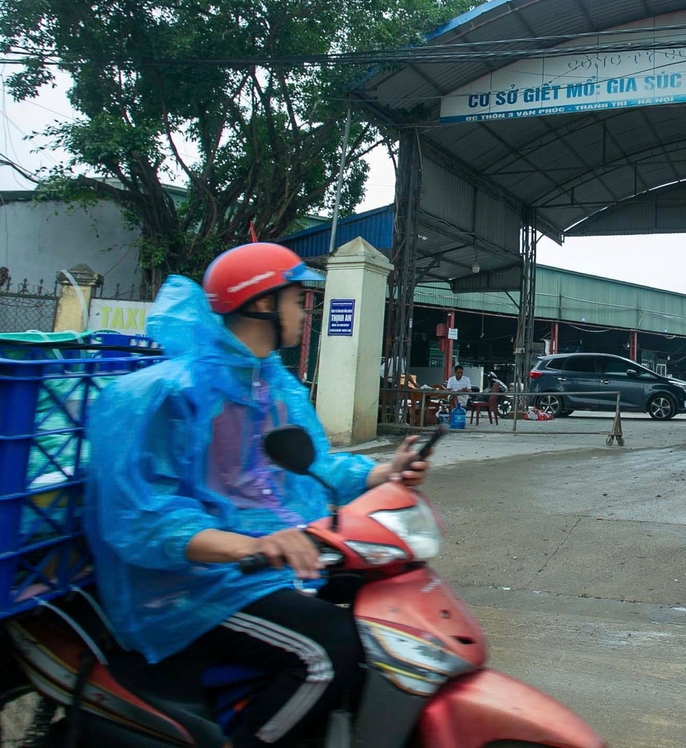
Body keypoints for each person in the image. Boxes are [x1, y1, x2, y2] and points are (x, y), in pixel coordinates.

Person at [84, 243, 432, 748]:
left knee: (382, 608)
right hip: (190, 585)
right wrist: (251, 545)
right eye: (297, 299)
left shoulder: (270, 384)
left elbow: (311, 464)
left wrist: (384, 472)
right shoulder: (170, 394)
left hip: (261, 564)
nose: (305, 311)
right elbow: (144, 519)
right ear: (264, 304)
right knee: (328, 648)